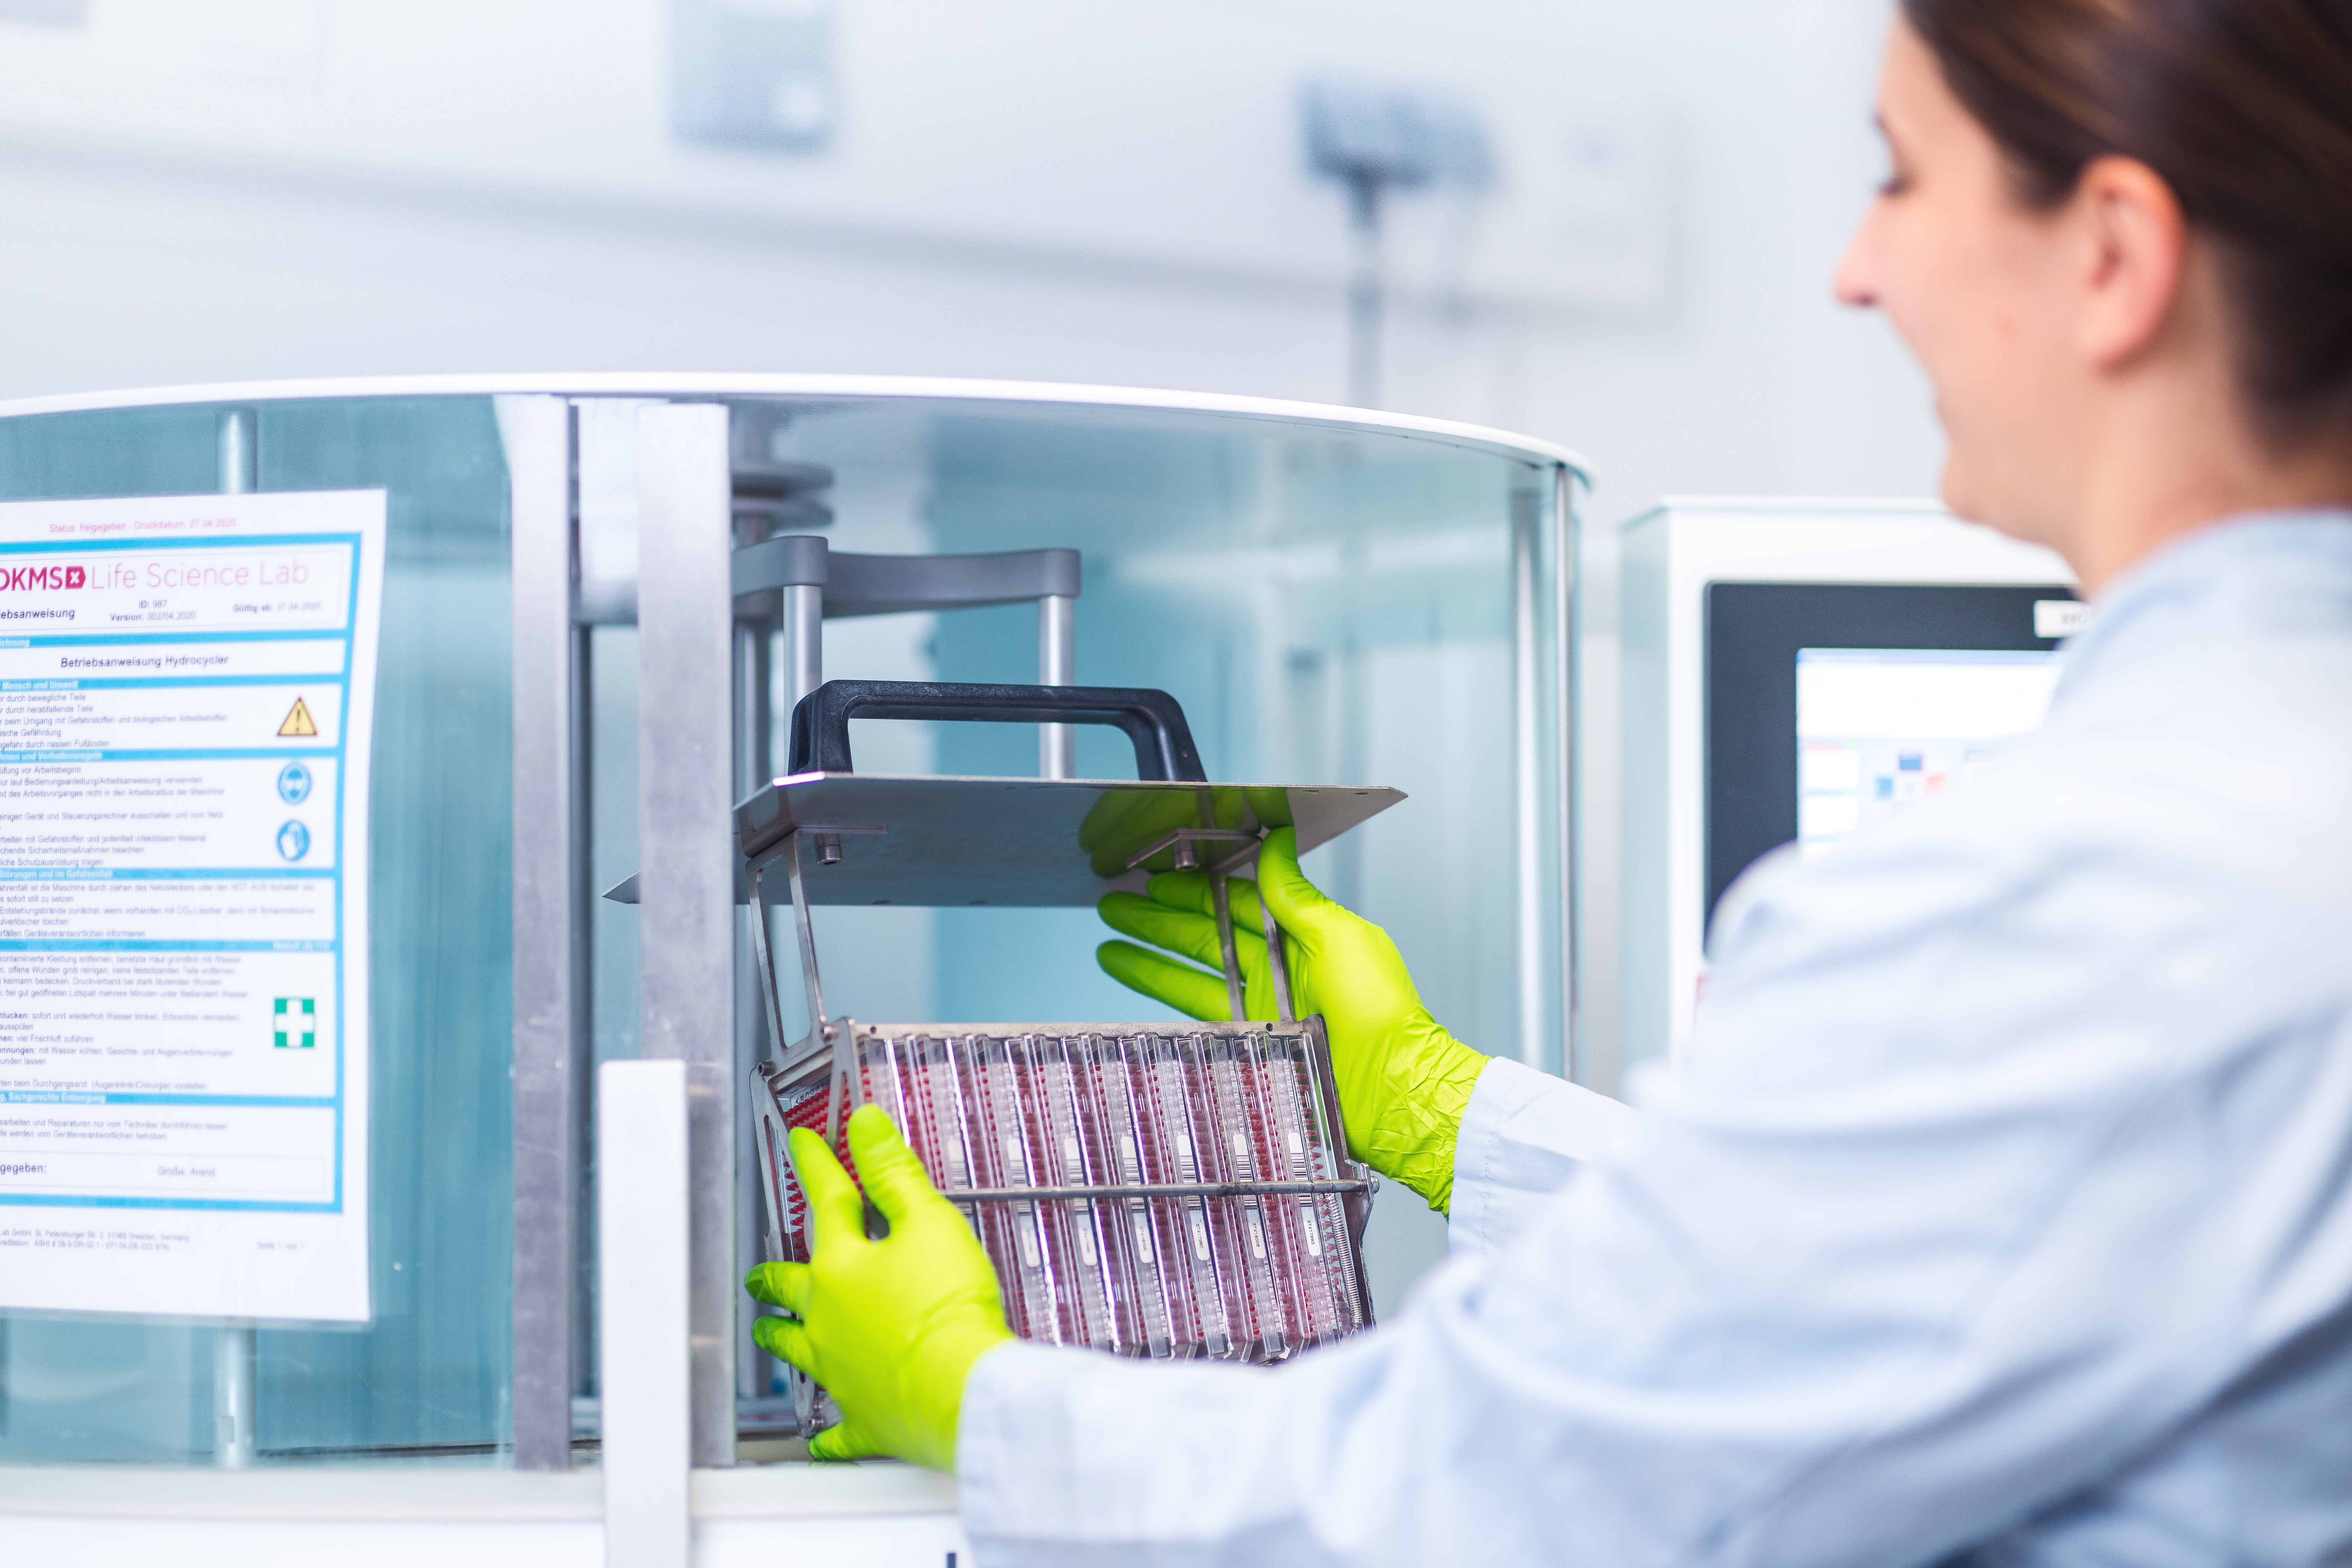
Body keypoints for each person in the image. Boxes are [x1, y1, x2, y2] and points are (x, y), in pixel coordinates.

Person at [745, 0, 2352, 1559]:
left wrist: (981, 1400)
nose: (1859, 270)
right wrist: (1449, 1110)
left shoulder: (2059, 899)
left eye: (1900, 177)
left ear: (2113, 257)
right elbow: (1961, 1273)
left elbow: (1499, 1497)